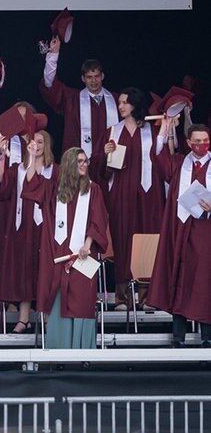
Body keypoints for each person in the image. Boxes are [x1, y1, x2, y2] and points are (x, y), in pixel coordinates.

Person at [24, 147, 109, 349]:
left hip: (82, 255)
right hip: (57, 255)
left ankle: (82, 351)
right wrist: (33, 157)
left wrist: (87, 245)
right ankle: (58, 349)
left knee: (81, 300)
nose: (83, 165)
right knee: (57, 297)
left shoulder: (93, 189)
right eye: (79, 161)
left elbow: (98, 221)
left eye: (85, 161)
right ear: (69, 164)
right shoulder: (54, 189)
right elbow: (32, 183)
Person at [95, 87, 164, 310]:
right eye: (120, 102)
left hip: (147, 196)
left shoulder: (152, 132)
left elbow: (164, 161)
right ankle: (122, 297)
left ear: (135, 104)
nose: (121, 106)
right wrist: (105, 155)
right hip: (121, 195)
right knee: (122, 239)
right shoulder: (112, 132)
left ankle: (146, 296)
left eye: (125, 102)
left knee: (147, 239)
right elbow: (101, 171)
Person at [149, 120, 211, 347]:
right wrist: (164, 130)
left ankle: (208, 337)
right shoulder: (179, 164)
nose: (202, 145)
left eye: (206, 141)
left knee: (205, 281)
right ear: (188, 143)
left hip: (205, 232)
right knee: (179, 277)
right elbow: (158, 158)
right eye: (197, 142)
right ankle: (178, 337)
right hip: (180, 229)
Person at [0, 128, 55, 334]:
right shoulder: (20, 169)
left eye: (40, 142)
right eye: (33, 142)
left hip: (46, 227)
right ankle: (24, 318)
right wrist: (2, 153)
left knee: (44, 270)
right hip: (23, 227)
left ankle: (47, 316)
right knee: (24, 270)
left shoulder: (54, 170)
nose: (36, 145)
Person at [40, 37, 118, 186]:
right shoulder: (72, 99)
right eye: (89, 77)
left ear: (102, 76)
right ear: (83, 78)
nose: (93, 81)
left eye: (96, 76)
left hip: (109, 166)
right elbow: (50, 85)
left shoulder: (116, 100)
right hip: (78, 166)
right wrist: (53, 56)